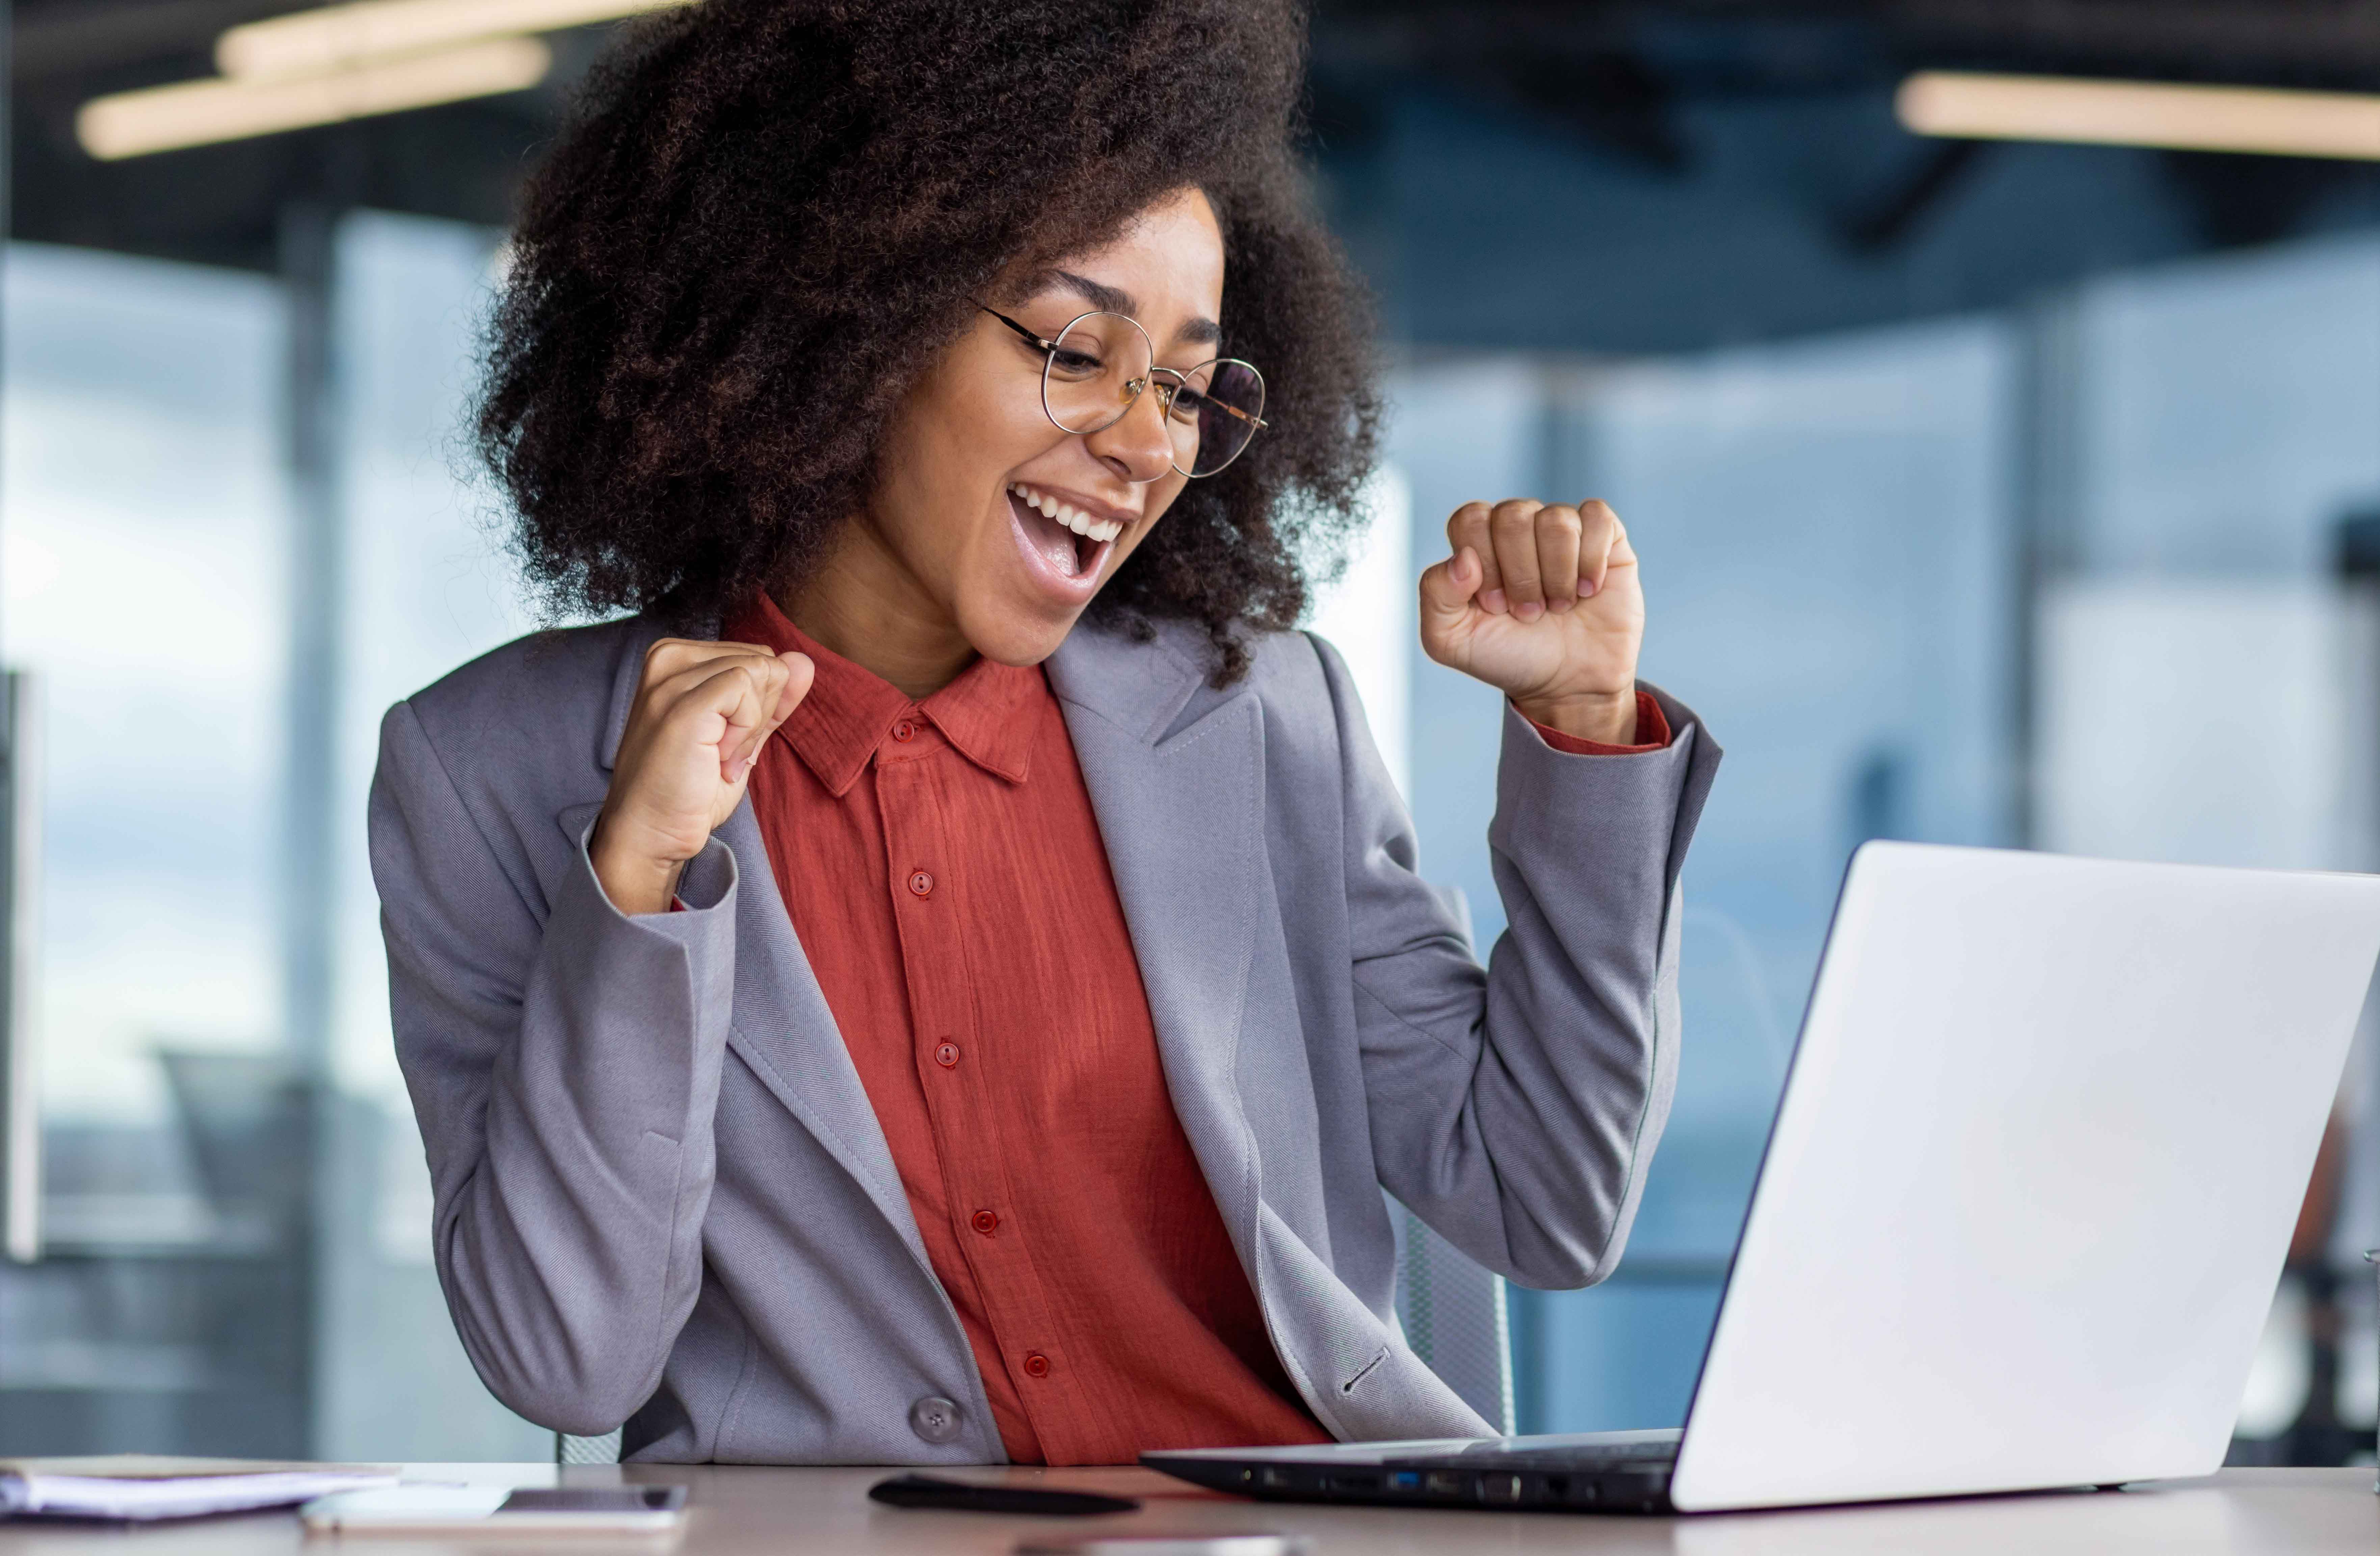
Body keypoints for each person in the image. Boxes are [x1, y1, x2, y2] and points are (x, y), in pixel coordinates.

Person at [371, 0, 1718, 1467]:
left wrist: (1582, 731)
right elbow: (567, 1362)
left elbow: (1544, 1201)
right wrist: (636, 887)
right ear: (846, 309)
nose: (1149, 445)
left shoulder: (1261, 716)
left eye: (1190, 387)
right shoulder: (492, 766)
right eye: (1081, 350)